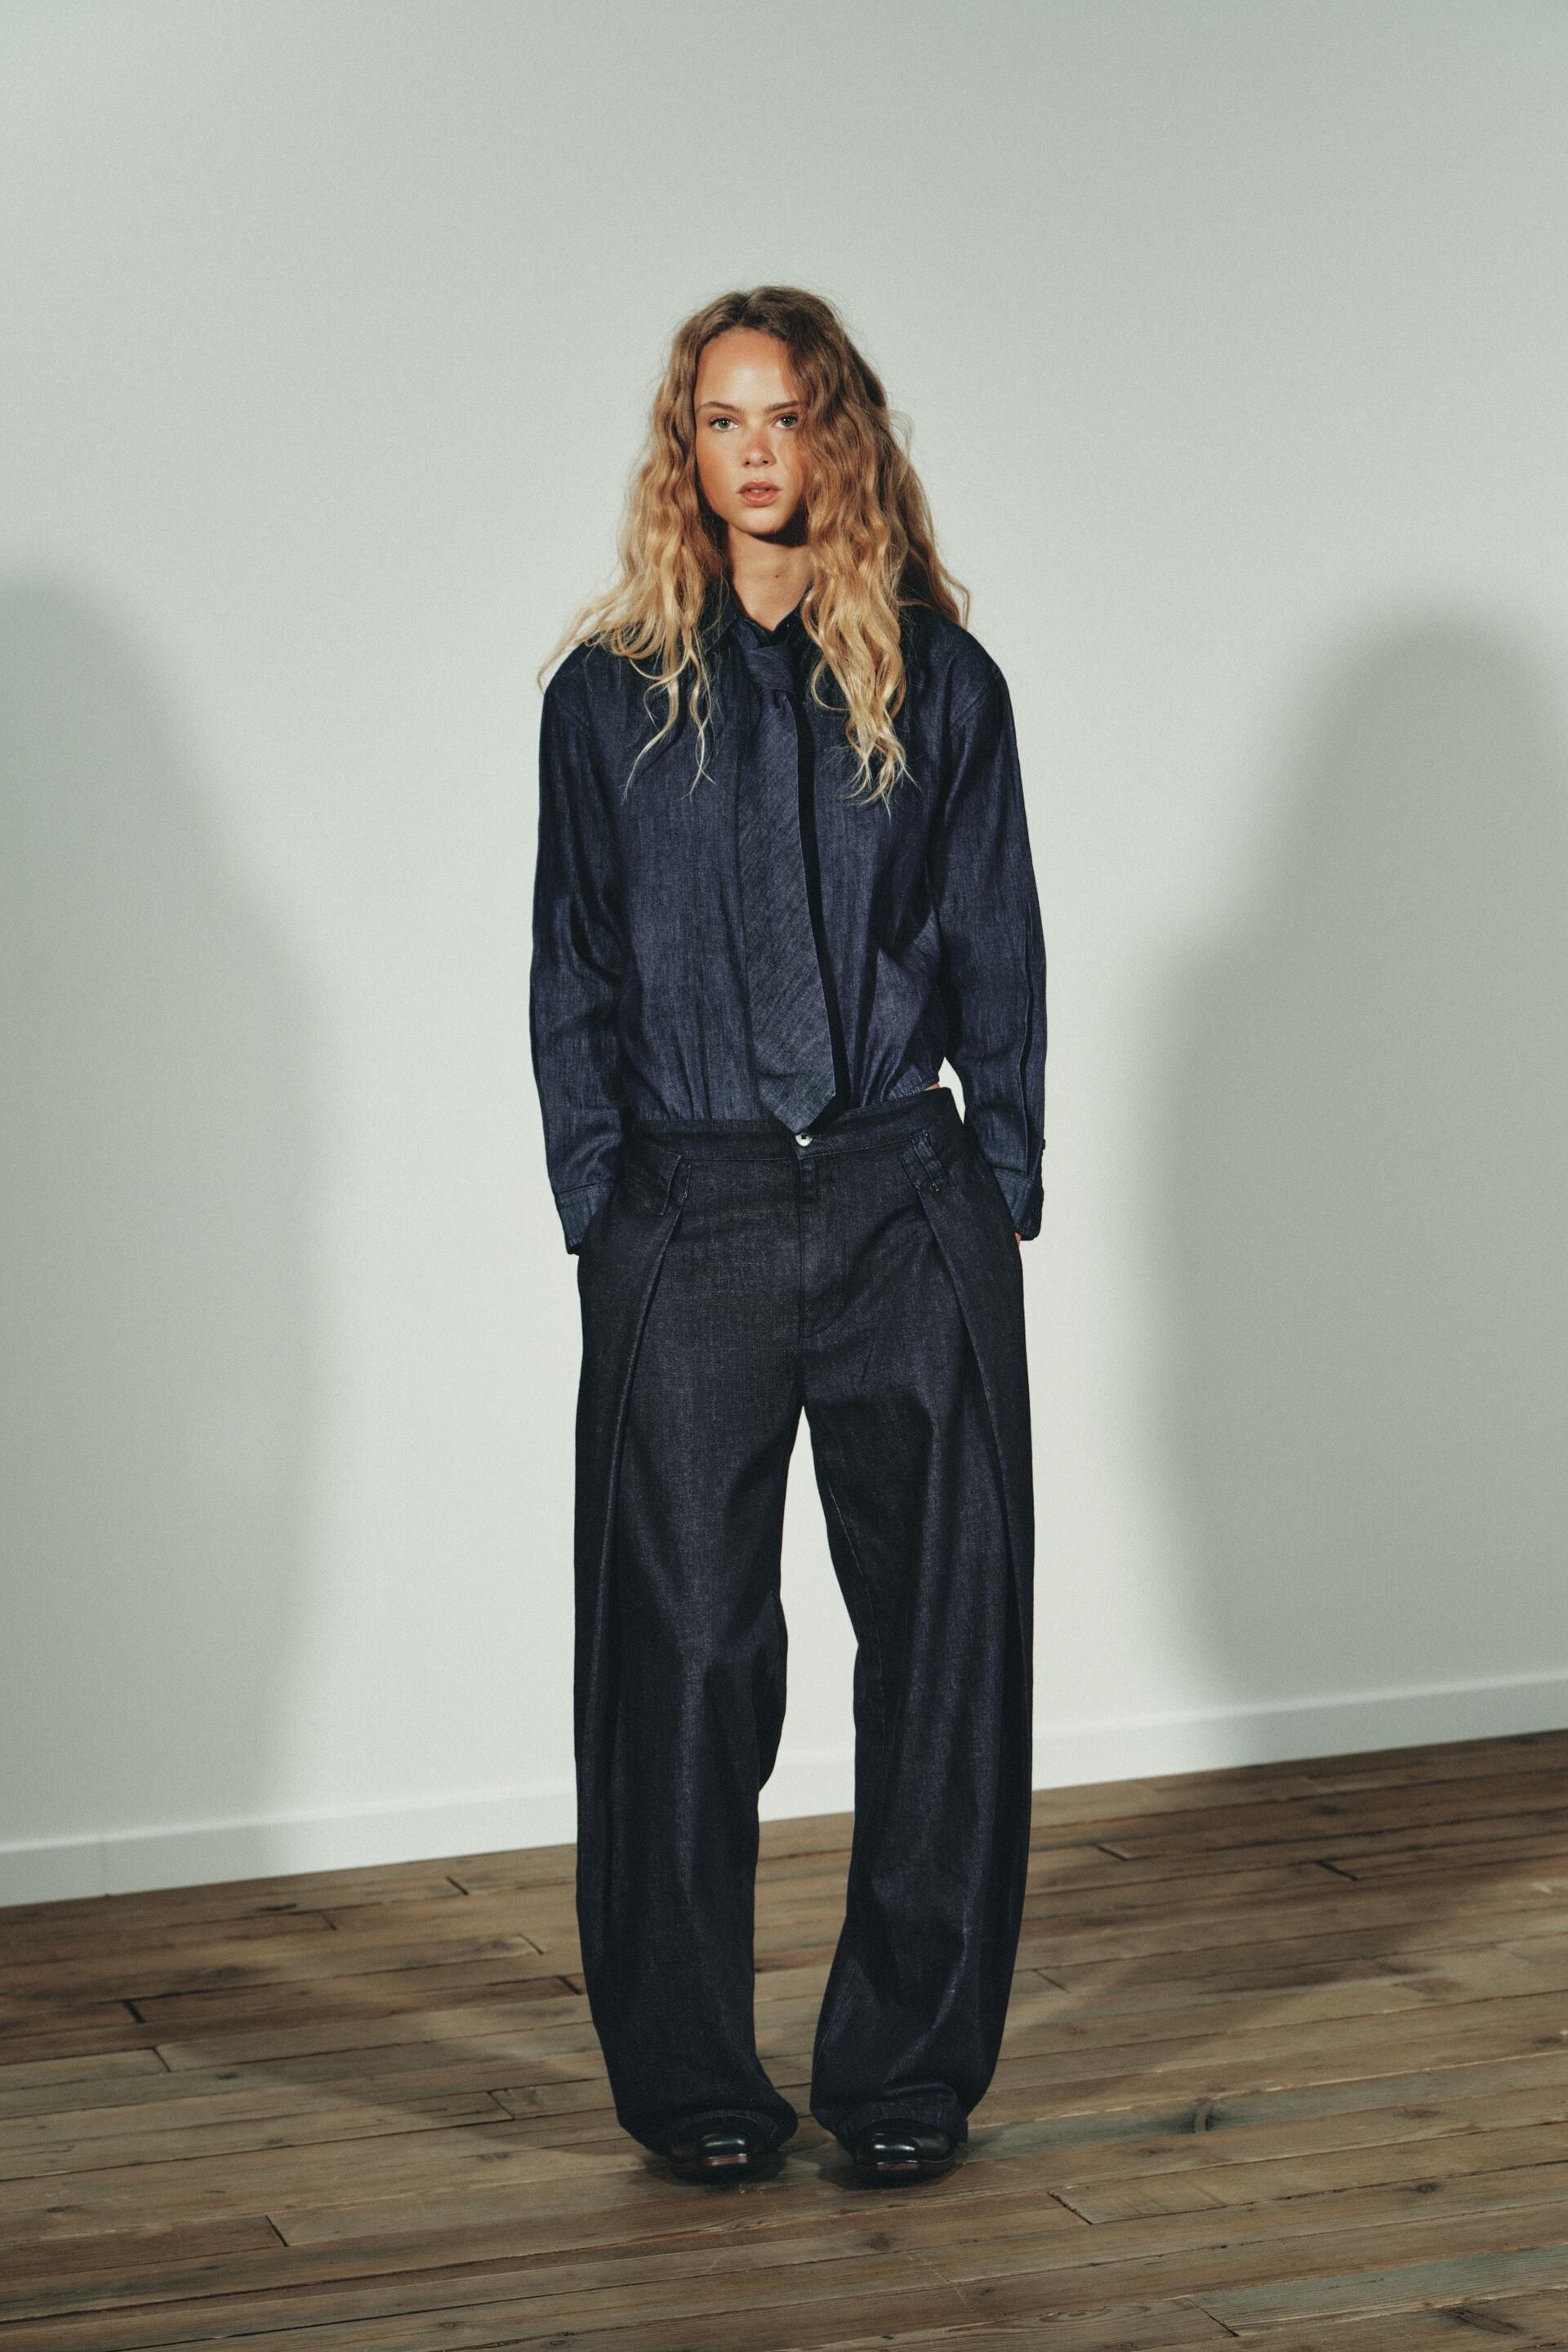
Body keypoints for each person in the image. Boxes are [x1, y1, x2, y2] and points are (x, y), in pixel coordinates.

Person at [529, 286, 1045, 2190]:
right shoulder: (606, 700)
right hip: (695, 1211)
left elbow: (998, 938)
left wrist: (1000, 1181)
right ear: (688, 448)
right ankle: (692, 2081)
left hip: (906, 1203)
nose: (758, 452)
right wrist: (606, 1208)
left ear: (844, 434)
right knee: (684, 1655)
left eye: (790, 415)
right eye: (723, 419)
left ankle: (905, 2071)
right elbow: (572, 968)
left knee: (943, 1645)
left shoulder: (941, 682)